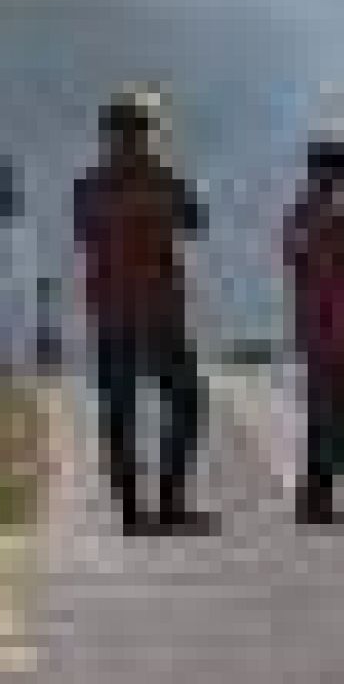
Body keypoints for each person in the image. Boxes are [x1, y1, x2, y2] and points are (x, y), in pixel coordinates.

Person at [73, 88, 213, 534]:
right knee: (186, 405)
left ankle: (133, 512)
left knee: (120, 415)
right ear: (144, 133)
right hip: (158, 313)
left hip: (113, 313)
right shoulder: (163, 181)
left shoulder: (89, 187)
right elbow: (196, 221)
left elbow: (85, 232)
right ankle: (169, 504)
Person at [282, 137, 344, 526]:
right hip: (336, 333)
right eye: (341, 170)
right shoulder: (334, 218)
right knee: (335, 419)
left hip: (314, 328)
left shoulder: (299, 217)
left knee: (322, 417)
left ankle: (315, 497)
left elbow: (298, 267)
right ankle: (320, 501)